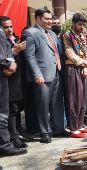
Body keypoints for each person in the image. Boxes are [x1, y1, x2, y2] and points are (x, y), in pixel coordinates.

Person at [23, 9, 64, 143]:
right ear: (38, 19)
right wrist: (37, 74)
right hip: (42, 75)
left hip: (56, 72)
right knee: (43, 105)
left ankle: (58, 129)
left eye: (50, 19)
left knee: (57, 103)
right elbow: (30, 55)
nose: (50, 21)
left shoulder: (52, 33)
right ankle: (45, 132)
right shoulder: (30, 32)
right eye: (46, 19)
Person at [62, 13, 87, 138]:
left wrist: (86, 65)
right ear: (73, 23)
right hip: (71, 68)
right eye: (80, 24)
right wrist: (83, 63)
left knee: (82, 98)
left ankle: (80, 125)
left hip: (82, 68)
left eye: (83, 24)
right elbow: (69, 52)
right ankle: (73, 128)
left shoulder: (82, 34)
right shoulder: (67, 35)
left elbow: (85, 52)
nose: (82, 27)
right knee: (74, 98)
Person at [0, 16, 27, 148]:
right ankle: (12, 138)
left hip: (18, 79)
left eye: (11, 26)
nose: (10, 30)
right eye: (6, 27)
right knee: (10, 110)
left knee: (17, 109)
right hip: (7, 80)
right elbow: (4, 57)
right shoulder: (2, 41)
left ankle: (17, 133)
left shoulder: (14, 40)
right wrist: (13, 52)